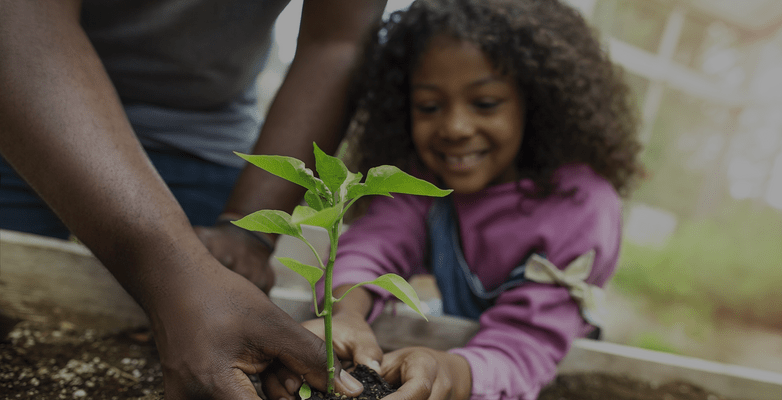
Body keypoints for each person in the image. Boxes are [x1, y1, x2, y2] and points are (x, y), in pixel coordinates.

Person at [0, 0, 387, 399]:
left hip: (203, 135)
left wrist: (247, 229)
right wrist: (173, 268)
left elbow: (337, 42)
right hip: (27, 104)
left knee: (215, 336)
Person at [272, 0, 645, 399]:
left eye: (485, 103)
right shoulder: (424, 182)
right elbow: (374, 244)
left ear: (535, 101)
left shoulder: (581, 207)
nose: (455, 127)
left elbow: (527, 345)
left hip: (543, 366)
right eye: (430, 106)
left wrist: (452, 370)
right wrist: (346, 314)